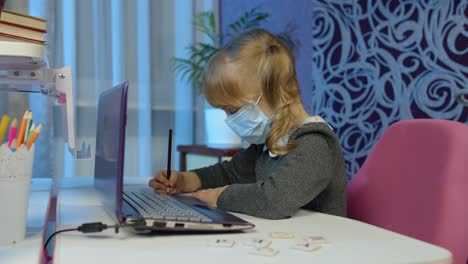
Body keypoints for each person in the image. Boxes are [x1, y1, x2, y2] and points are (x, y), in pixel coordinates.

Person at [149, 29, 346, 219]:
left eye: (233, 110)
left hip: (320, 247)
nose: (229, 120)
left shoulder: (314, 143)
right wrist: (185, 181)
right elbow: (231, 173)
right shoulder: (269, 144)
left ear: (276, 93)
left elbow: (274, 199)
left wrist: (217, 196)